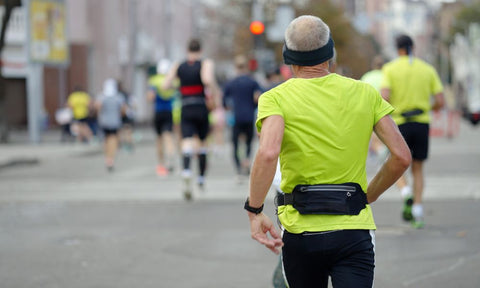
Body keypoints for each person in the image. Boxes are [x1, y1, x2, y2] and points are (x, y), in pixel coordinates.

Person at [244, 15, 411, 288]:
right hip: (353, 229)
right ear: (330, 51)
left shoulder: (274, 98)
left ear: (288, 56)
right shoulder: (366, 93)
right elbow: (401, 156)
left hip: (300, 232)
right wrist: (366, 196)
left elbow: (267, 152)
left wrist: (254, 210)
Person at [380, 34, 445, 228]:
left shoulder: (389, 69)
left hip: (399, 123)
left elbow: (384, 97)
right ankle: (417, 211)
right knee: (418, 168)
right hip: (421, 122)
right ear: (413, 47)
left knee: (396, 161)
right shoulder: (427, 69)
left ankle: (405, 192)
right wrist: (427, 109)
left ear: (397, 48)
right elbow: (440, 101)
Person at [162, 38, 221, 200]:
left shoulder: (178, 65)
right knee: (202, 141)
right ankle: (201, 178)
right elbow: (207, 80)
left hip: (185, 106)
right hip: (201, 106)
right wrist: (215, 92)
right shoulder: (205, 63)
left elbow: (165, 85)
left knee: (187, 140)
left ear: (187, 50)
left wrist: (180, 87)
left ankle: (187, 170)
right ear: (200, 50)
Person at [223, 55, 262, 180]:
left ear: (235, 67)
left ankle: (239, 169)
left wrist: (227, 107)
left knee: (235, 143)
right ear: (246, 66)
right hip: (249, 116)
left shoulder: (231, 82)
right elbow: (260, 95)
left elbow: (224, 99)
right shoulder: (252, 81)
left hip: (236, 117)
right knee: (249, 142)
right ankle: (246, 161)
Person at [147, 59, 178, 176]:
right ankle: (171, 159)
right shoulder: (172, 81)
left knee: (159, 139)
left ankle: (161, 164)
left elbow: (150, 97)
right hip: (169, 111)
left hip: (158, 112)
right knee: (169, 136)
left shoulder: (154, 81)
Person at [361, 56, 389, 163]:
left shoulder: (367, 77)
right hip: (387, 111)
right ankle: (385, 157)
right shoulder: (386, 76)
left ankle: (383, 157)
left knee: (375, 141)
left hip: (370, 113)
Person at [95, 79, 127, 172]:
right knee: (113, 139)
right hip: (115, 122)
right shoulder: (118, 97)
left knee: (106, 140)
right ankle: (111, 158)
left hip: (103, 121)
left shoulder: (101, 96)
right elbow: (123, 110)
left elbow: (98, 107)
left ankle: (107, 157)